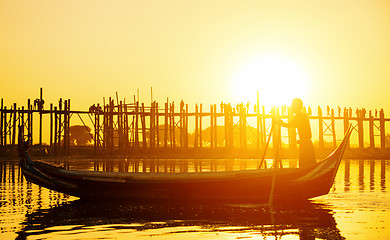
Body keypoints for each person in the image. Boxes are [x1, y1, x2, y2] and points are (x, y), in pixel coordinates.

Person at [278, 98, 316, 168]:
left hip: (305, 145)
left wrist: (281, 123)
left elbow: (290, 125)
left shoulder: (300, 116)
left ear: (296, 106)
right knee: (308, 165)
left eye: (292, 105)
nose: (291, 106)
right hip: (305, 143)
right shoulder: (300, 116)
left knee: (305, 165)